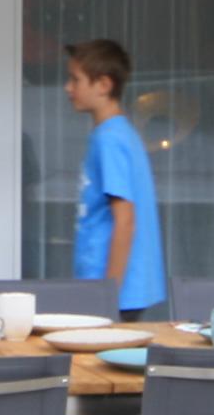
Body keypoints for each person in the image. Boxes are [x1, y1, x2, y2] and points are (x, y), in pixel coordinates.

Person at [63, 38, 165, 319]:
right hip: (115, 286)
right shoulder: (118, 133)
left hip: (114, 289)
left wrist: (109, 293)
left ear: (104, 85)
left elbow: (125, 219)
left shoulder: (110, 139)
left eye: (75, 80)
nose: (68, 88)